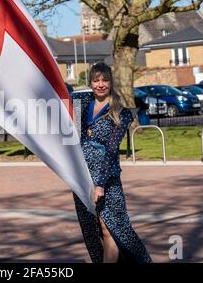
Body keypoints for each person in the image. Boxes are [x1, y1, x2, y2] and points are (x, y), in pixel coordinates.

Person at [72, 62, 153, 263]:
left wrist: (100, 183)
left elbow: (111, 151)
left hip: (106, 179)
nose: (100, 84)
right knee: (92, 230)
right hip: (82, 177)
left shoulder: (121, 112)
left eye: (105, 80)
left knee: (113, 227)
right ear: (90, 82)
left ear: (111, 82)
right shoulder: (81, 102)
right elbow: (57, 94)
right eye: (96, 80)